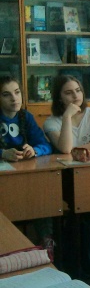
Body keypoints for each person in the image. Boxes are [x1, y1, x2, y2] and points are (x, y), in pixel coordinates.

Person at [44, 75, 90, 277]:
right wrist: (67, 117)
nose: (75, 96)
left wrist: (75, 150)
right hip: (66, 179)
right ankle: (85, 258)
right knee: (84, 207)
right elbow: (65, 148)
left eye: (78, 90)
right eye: (68, 92)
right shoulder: (51, 122)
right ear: (59, 98)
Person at [0, 76, 54, 257]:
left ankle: (46, 243)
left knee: (42, 193)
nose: (14, 98)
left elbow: (46, 145)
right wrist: (2, 153)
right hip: (3, 179)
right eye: (6, 95)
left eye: (17, 93)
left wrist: (35, 150)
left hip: (25, 177)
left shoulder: (26, 117)